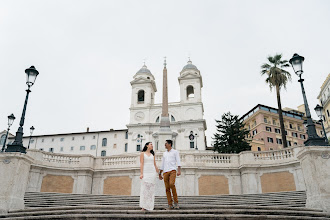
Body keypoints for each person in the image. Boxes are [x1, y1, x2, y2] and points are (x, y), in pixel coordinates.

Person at [158, 140, 181, 210]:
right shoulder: (164, 153)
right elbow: (163, 163)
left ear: (170, 144)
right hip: (165, 172)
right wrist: (160, 173)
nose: (165, 145)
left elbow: (178, 161)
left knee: (171, 184)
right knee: (167, 188)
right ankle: (170, 204)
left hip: (172, 170)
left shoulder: (175, 152)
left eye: (166, 144)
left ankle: (176, 202)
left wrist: (179, 170)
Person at [139, 142, 159, 211]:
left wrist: (158, 173)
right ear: (147, 146)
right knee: (145, 189)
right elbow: (141, 163)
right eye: (151, 144)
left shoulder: (152, 154)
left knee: (151, 190)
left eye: (152, 144)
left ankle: (150, 205)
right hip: (145, 172)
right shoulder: (142, 153)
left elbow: (155, 164)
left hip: (152, 172)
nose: (152, 145)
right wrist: (141, 173)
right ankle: (144, 206)